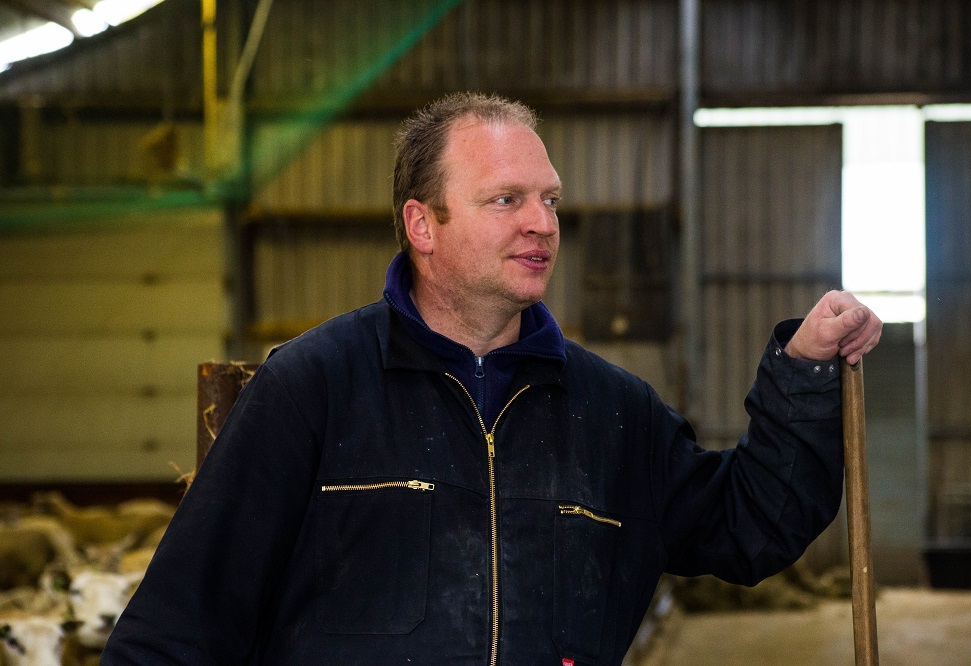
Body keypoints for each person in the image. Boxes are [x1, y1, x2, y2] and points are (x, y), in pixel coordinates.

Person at [103, 92, 882, 665]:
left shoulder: (611, 413)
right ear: (423, 225)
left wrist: (805, 370)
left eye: (548, 199)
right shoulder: (311, 389)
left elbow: (750, 527)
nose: (541, 222)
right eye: (506, 199)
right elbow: (175, 631)